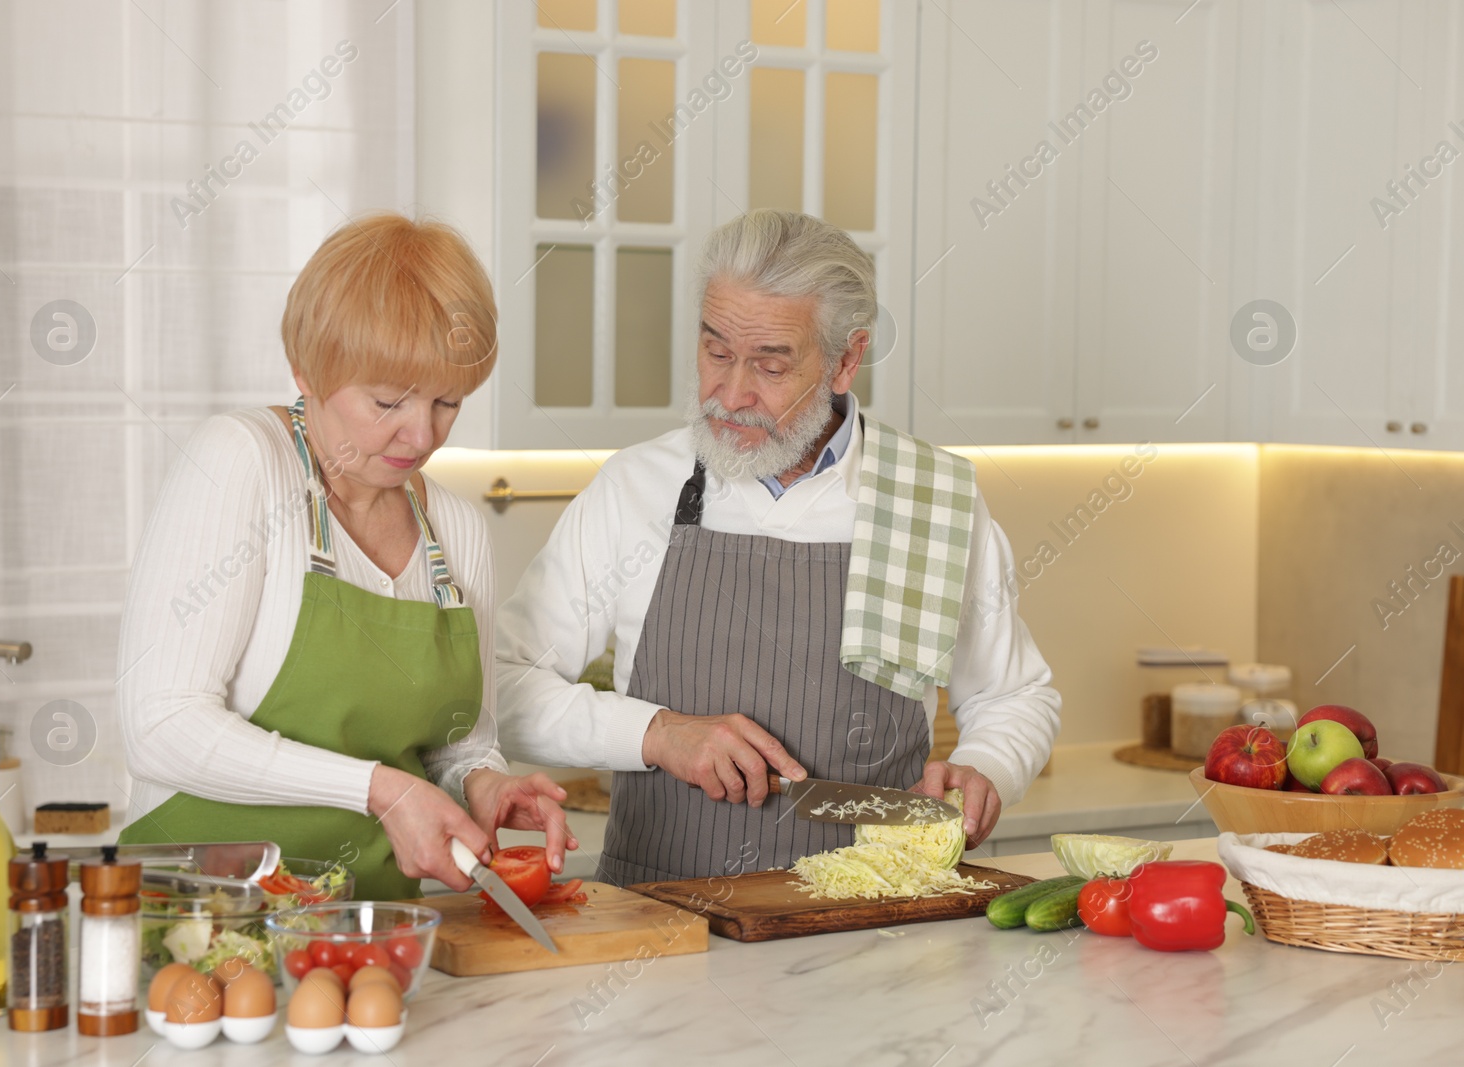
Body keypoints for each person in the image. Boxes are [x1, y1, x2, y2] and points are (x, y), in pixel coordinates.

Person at [496, 209, 1061, 885]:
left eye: (769, 364)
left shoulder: (932, 501)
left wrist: (988, 765)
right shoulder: (636, 487)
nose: (731, 394)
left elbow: (1014, 696)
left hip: (870, 930)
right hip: (663, 926)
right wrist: (654, 733)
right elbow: (505, 686)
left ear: (847, 359)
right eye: (715, 352)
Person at [118, 213, 573, 899]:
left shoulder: (456, 528)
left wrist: (483, 780)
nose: (421, 433)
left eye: (448, 401)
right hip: (200, 922)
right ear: (307, 371)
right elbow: (160, 725)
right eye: (388, 400)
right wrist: (380, 790)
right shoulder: (240, 463)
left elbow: (457, 744)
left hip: (373, 930)